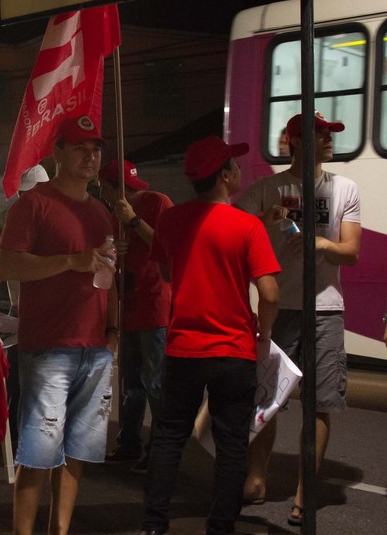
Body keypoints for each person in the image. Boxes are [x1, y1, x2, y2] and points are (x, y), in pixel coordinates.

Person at [136, 136, 280, 535]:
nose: (239, 170)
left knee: (168, 438)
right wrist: (264, 330)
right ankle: (221, 525)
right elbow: (270, 294)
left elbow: (166, 272)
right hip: (234, 351)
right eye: (234, 165)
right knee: (232, 444)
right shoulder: (248, 226)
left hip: (183, 347)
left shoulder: (171, 220)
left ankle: (153, 524)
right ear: (224, 176)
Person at [236, 111, 360, 526]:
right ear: (296, 142)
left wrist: (321, 243)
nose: (328, 139)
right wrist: (264, 219)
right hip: (281, 306)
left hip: (326, 310)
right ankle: (256, 478)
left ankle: (306, 491)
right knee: (266, 400)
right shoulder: (268, 188)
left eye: (330, 134)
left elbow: (351, 252)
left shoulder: (344, 188)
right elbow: (234, 230)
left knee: (320, 402)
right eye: (320, 134)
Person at [0, 116, 119, 535]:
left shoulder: (100, 212)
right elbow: (8, 264)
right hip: (48, 347)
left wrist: (113, 332)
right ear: (58, 153)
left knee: (76, 453)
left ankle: (59, 530)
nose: (90, 156)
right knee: (37, 453)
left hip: (95, 347)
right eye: (80, 148)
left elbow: (109, 276)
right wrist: (69, 261)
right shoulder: (34, 204)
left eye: (96, 149)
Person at [98, 160, 172, 471]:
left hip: (154, 306)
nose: (102, 192)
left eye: (104, 187)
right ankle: (128, 443)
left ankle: (161, 450)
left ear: (116, 186)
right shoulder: (110, 214)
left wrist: (134, 221)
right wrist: (114, 250)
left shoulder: (157, 203)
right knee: (131, 384)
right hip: (127, 307)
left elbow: (168, 246)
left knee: (155, 382)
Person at [0, 163, 49, 450]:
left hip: (46, 311)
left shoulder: (54, 218)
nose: (24, 197)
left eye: (29, 192)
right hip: (21, 310)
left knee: (37, 378)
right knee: (15, 375)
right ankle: (7, 433)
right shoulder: (20, 215)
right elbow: (2, 259)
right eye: (22, 193)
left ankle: (28, 436)